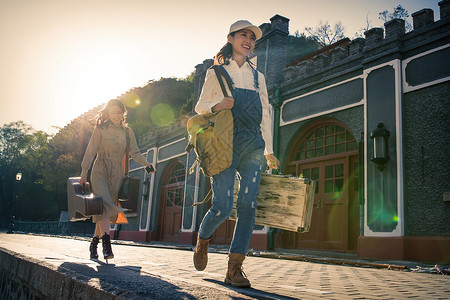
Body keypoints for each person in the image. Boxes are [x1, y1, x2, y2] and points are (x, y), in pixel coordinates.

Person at [193, 20, 279, 287]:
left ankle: (234, 269)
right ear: (230, 38)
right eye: (243, 35)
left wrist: (269, 150)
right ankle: (202, 240)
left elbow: (266, 112)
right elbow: (200, 107)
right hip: (224, 143)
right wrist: (217, 106)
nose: (249, 40)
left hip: (252, 145)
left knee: (248, 205)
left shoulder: (259, 77)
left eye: (252, 37)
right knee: (221, 206)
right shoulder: (216, 72)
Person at [79, 99, 155, 261]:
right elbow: (90, 151)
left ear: (123, 114)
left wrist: (146, 164)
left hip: (117, 173)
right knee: (105, 204)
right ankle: (107, 243)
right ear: (108, 113)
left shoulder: (127, 132)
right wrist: (84, 172)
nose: (116, 115)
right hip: (100, 170)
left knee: (104, 209)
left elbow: (135, 152)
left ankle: (94, 243)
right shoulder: (100, 129)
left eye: (119, 112)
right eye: (113, 112)